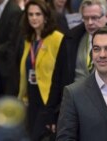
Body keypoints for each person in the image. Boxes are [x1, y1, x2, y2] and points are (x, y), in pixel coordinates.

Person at [53, 0, 107, 101]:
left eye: (94, 18)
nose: (90, 22)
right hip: (75, 103)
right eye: (85, 18)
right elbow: (57, 78)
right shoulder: (71, 39)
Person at [17, 0, 64, 140]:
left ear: (46, 17)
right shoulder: (28, 39)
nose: (34, 18)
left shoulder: (57, 38)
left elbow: (62, 73)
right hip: (31, 97)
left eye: (38, 14)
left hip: (48, 99)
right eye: (30, 14)